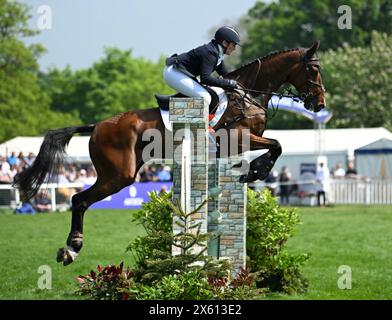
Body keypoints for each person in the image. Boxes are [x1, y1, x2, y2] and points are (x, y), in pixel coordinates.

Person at [163, 26, 240, 109]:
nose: (234, 49)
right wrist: (228, 83)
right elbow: (205, 78)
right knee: (205, 98)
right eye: (233, 45)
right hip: (174, 72)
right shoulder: (210, 53)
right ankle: (179, 118)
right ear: (225, 43)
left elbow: (226, 74)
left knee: (212, 93)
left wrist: (237, 84)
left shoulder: (217, 53)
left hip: (181, 72)